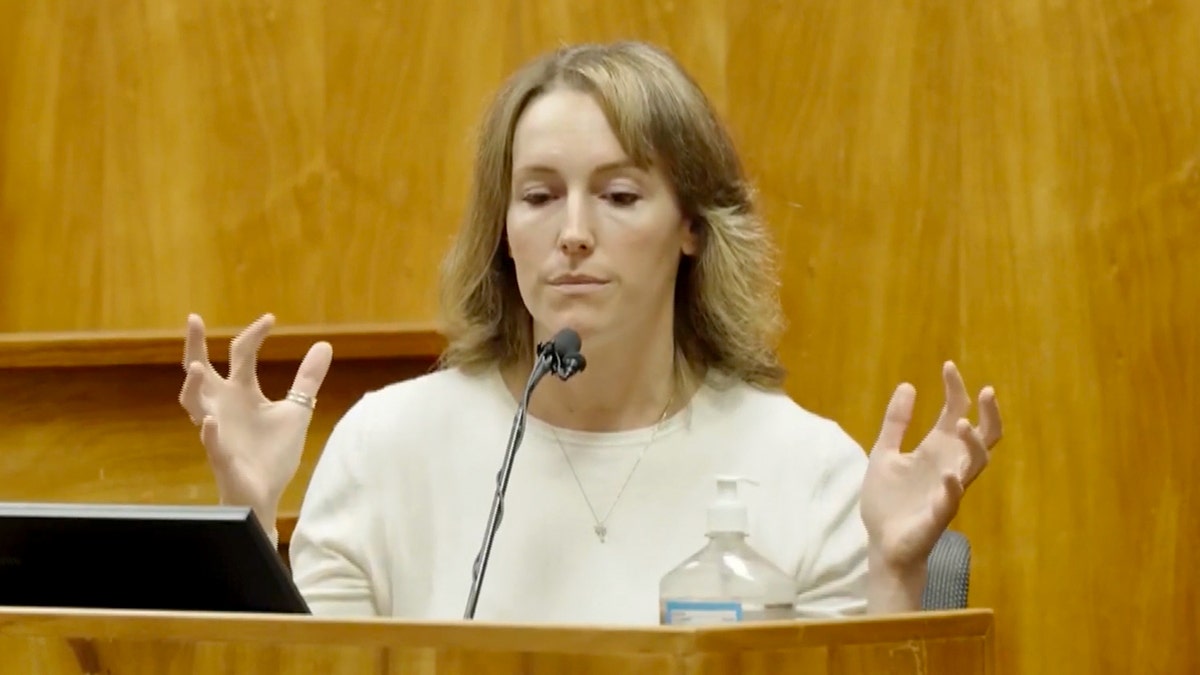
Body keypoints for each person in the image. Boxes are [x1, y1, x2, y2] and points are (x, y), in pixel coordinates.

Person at [178, 40, 1002, 624]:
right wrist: (243, 524)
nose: (573, 231)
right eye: (538, 196)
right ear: (501, 230)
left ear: (691, 227)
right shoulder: (385, 448)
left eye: (618, 195)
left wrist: (895, 576)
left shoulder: (807, 468)